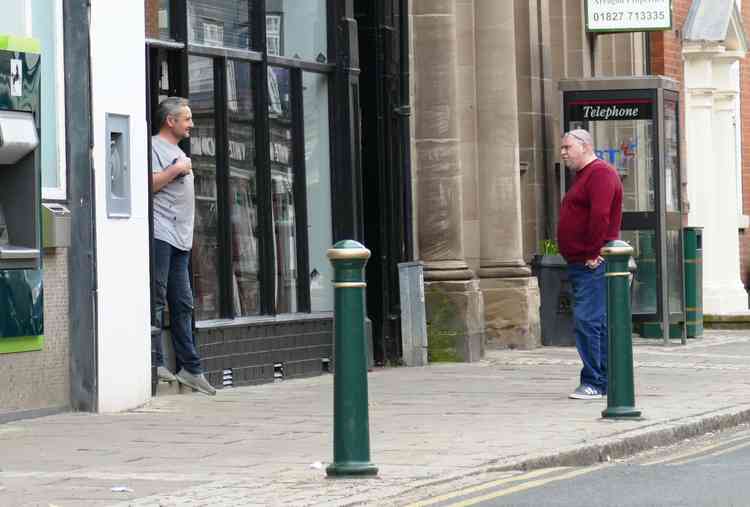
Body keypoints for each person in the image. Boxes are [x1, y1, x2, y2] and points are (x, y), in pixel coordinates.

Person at [151, 97, 216, 396]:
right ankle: (155, 362)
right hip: (161, 233)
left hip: (181, 238)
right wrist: (176, 170)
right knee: (158, 297)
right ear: (170, 121)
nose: (191, 124)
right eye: (186, 119)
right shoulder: (154, 147)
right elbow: (148, 184)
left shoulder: (177, 151)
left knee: (184, 303)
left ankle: (191, 368)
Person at [557, 129, 623, 400]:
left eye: (567, 147)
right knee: (597, 323)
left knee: (588, 321)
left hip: (591, 263)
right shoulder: (584, 176)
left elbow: (601, 215)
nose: (563, 153)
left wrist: (594, 252)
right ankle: (605, 380)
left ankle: (594, 382)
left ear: (584, 146)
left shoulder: (600, 174)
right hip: (580, 262)